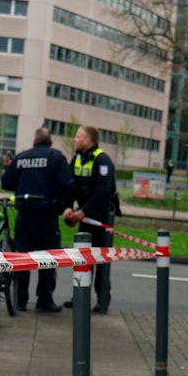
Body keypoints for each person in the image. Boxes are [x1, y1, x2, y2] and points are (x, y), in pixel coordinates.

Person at [1, 128, 73, 312]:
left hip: (24, 216)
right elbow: (66, 186)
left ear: (34, 141)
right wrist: (59, 206)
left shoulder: (21, 157)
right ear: (50, 143)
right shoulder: (56, 158)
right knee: (48, 260)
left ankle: (20, 300)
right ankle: (44, 299)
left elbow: (6, 182)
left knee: (23, 259)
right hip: (46, 216)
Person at [62, 125, 117, 314]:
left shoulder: (102, 160)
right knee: (83, 259)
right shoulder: (77, 158)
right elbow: (69, 185)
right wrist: (69, 207)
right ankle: (80, 298)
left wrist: (82, 212)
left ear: (88, 140)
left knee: (100, 260)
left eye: (78, 136)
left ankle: (102, 301)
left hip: (101, 218)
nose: (75, 140)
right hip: (84, 216)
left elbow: (103, 192)